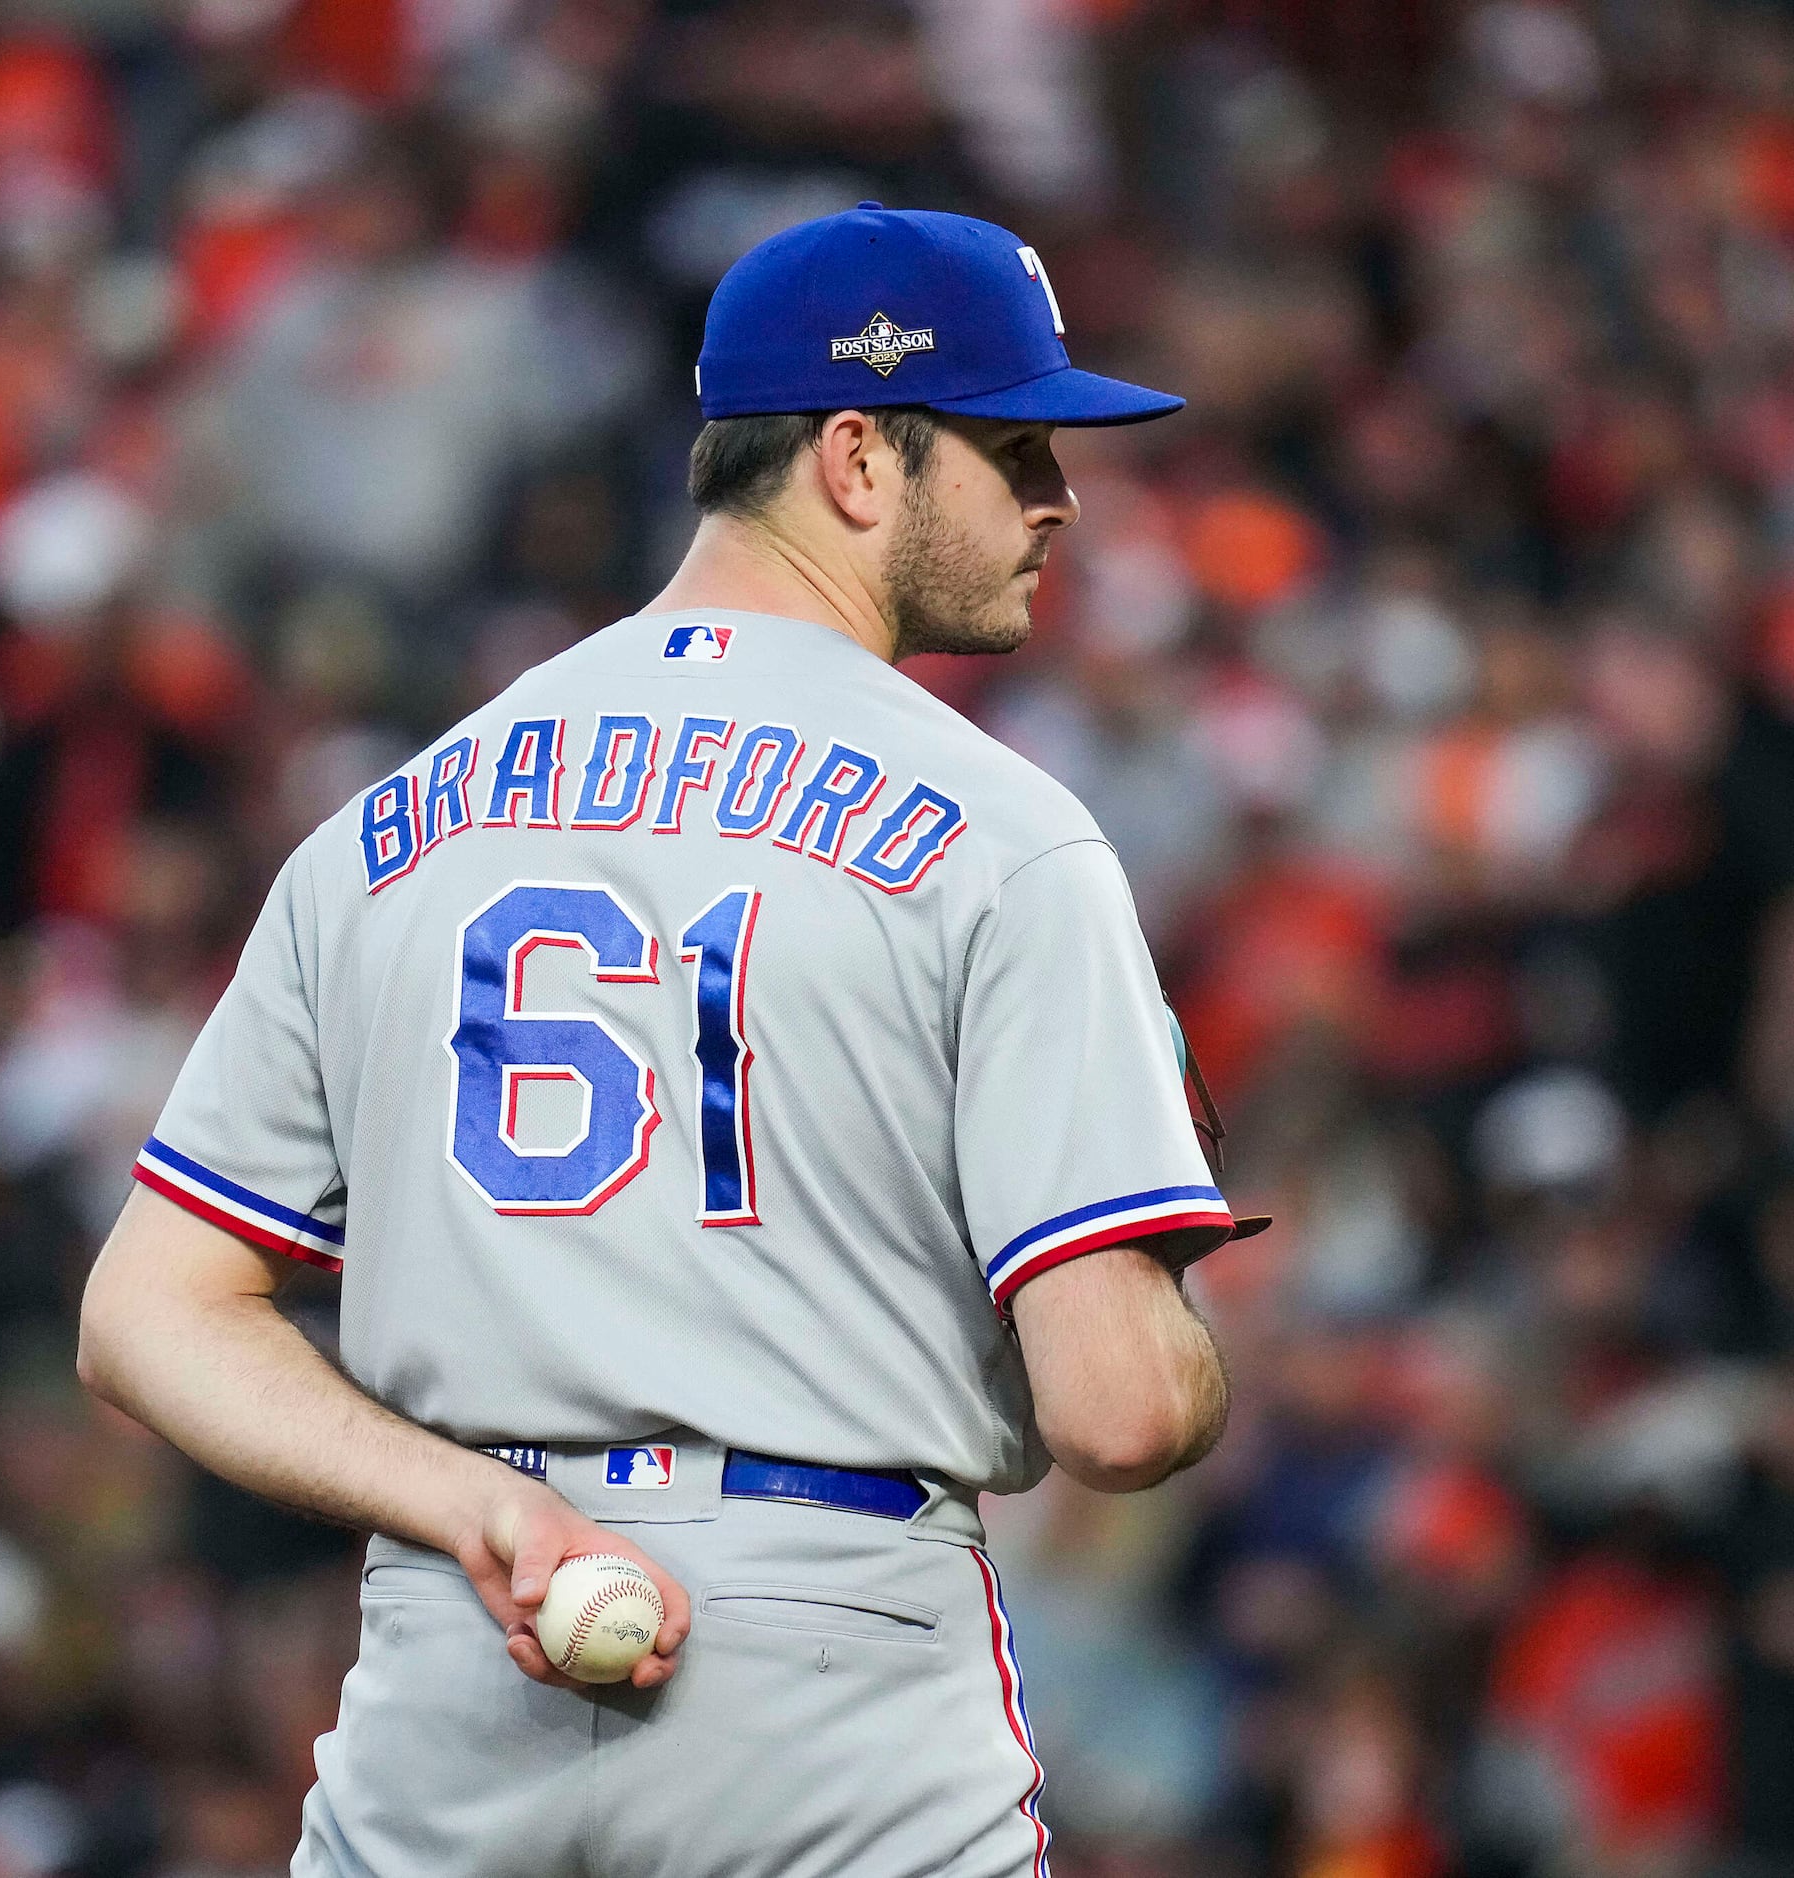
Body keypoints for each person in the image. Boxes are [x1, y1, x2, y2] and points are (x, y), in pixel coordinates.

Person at [76, 203, 1241, 1875]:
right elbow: (1119, 1414)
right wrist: (1181, 1315)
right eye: (1013, 443)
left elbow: (140, 1314)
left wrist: (459, 1503)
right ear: (857, 457)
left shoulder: (393, 821)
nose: (1059, 496)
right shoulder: (1003, 833)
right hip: (827, 1675)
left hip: (465, 1645)